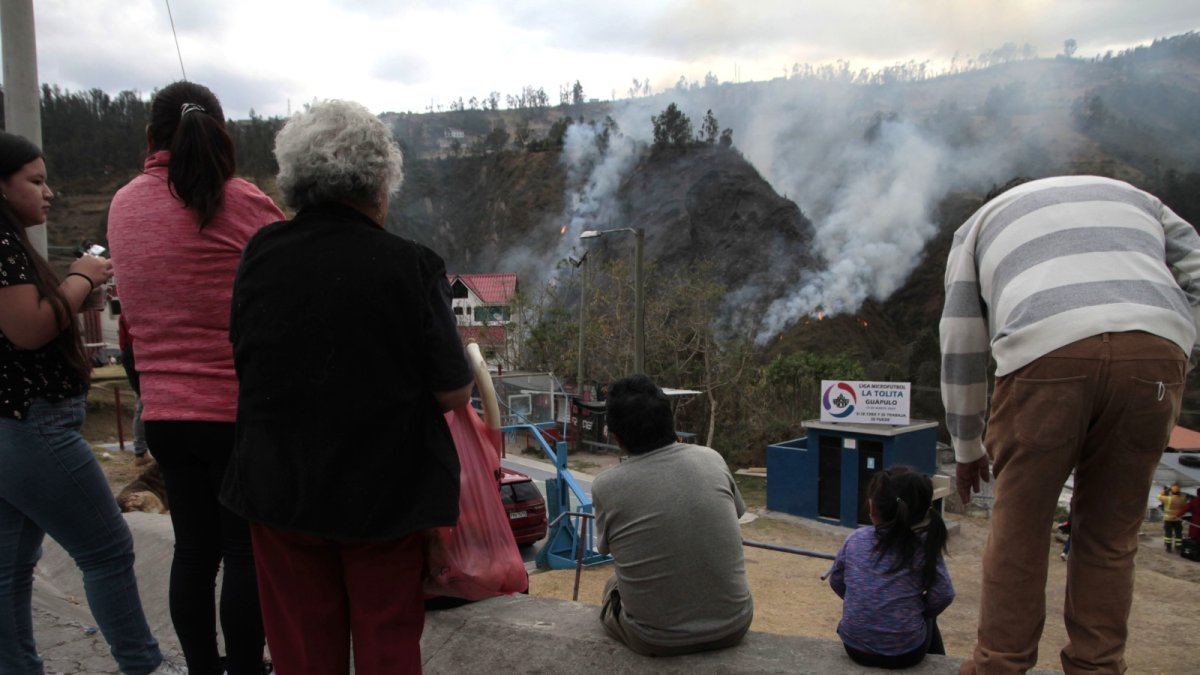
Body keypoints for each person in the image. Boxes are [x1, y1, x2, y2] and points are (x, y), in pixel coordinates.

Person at [220, 99, 473, 675]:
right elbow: (453, 392)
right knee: (386, 646)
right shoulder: (410, 265)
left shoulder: (259, 253)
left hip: (279, 486)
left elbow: (247, 354)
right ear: (379, 187)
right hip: (382, 497)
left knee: (303, 653)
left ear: (297, 183)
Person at [940, 175, 1199, 674]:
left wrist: (967, 446)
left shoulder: (976, 227)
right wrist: (1177, 343)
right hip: (1155, 347)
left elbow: (960, 337)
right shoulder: (1141, 199)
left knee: (1020, 529)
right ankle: (1097, 666)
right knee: (1109, 536)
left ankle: (1001, 664)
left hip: (1044, 348)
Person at [107, 81, 283, 675]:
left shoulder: (124, 204)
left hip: (164, 414)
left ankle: (202, 669)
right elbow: (293, 275)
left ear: (151, 136)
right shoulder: (247, 202)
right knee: (242, 554)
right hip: (236, 413)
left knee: (193, 553)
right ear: (221, 133)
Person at [0, 132, 183, 674]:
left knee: (11, 566)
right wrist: (80, 277)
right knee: (106, 550)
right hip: (35, 425)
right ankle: (144, 665)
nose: (49, 192)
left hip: (14, 428)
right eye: (35, 181)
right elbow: (29, 329)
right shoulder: (4, 245)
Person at [592, 375, 754, 657]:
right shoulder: (712, 458)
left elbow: (605, 549)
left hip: (654, 639)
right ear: (670, 422)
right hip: (735, 625)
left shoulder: (606, 485)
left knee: (612, 583)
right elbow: (737, 514)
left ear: (616, 436)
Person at [828, 465, 954, 669]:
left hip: (854, 647)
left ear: (872, 508)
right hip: (906, 654)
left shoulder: (855, 539)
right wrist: (917, 609)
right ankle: (941, 664)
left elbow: (836, 581)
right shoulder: (922, 545)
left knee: (922, 615)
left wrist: (865, 599)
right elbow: (944, 594)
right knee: (929, 618)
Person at [117, 311, 152, 466]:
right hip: (138, 352)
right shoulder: (135, 310)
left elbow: (122, 342)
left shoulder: (125, 311)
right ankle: (140, 450)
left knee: (142, 403)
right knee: (144, 403)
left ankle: (141, 450)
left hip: (131, 353)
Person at [1157, 484, 1187, 552]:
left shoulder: (1168, 499)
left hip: (1168, 519)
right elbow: (1184, 507)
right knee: (1178, 533)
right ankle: (1178, 546)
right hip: (1178, 519)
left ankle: (1168, 547)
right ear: (1179, 491)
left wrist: (1165, 491)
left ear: (1172, 491)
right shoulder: (1182, 499)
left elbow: (1158, 496)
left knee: (1168, 533)